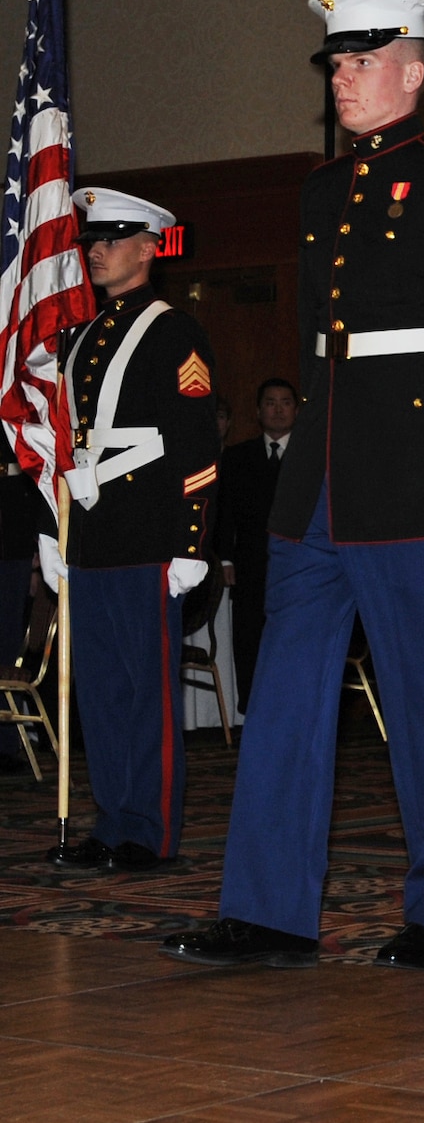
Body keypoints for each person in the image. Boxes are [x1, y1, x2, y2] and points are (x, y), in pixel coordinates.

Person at [162, 0, 424, 971]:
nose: (343, 78)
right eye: (335, 63)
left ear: (412, 70)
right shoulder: (323, 190)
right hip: (317, 482)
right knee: (284, 695)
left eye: (361, 61)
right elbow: (327, 351)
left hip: (411, 478)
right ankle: (270, 909)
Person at [40, 189, 216, 871]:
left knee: (149, 692)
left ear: (149, 246)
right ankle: (112, 819)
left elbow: (196, 443)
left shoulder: (176, 330)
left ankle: (149, 828)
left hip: (148, 535)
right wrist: (50, 529)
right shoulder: (79, 334)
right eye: (94, 240)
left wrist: (190, 542)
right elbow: (59, 438)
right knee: (101, 692)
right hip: (91, 535)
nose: (97, 250)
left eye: (112, 239)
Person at [216, 377, 297, 711]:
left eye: (285, 402)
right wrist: (225, 559)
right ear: (258, 411)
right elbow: (223, 512)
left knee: (294, 641)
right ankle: (253, 711)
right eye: (270, 403)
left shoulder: (310, 457)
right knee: (249, 640)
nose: (278, 410)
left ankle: (294, 711)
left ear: (296, 409)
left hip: (299, 566)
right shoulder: (237, 457)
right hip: (249, 567)